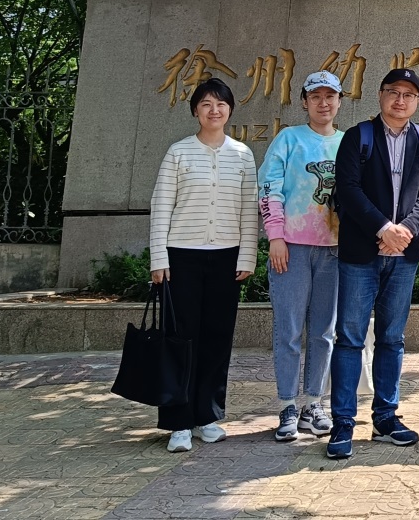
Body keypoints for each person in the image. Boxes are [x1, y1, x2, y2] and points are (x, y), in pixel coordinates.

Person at [325, 68, 419, 458]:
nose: (400, 100)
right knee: (350, 339)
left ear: (417, 101)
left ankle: (386, 418)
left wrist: (406, 229)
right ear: (380, 95)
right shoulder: (358, 136)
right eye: (393, 92)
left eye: (409, 94)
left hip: (404, 255)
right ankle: (343, 423)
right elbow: (348, 189)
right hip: (361, 253)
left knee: (392, 339)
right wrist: (383, 228)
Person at [148, 77, 259, 453]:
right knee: (180, 339)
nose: (215, 110)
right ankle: (178, 423)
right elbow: (161, 206)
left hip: (227, 258)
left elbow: (249, 210)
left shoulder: (242, 155)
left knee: (216, 339)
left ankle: (207, 416)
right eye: (207, 104)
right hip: (181, 257)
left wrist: (247, 256)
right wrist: (159, 258)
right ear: (195, 110)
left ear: (230, 110)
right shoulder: (178, 152)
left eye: (221, 104)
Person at [258, 70, 345, 442]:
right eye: (316, 97)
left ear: (339, 101)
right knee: (289, 331)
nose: (323, 103)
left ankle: (314, 403)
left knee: (324, 332)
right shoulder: (288, 139)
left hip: (335, 250)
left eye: (330, 96)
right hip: (290, 248)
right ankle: (287, 406)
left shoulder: (348, 142)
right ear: (305, 102)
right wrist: (275, 236)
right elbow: (269, 187)